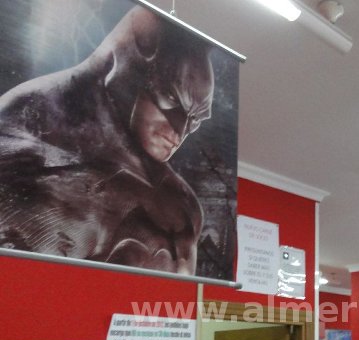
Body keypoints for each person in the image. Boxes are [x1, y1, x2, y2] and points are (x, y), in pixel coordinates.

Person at [0, 6, 213, 274]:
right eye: (171, 99)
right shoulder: (25, 137)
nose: (180, 132)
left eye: (195, 119)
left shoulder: (181, 203)